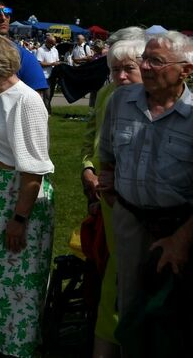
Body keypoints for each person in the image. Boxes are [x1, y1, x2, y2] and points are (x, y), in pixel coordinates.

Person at [97, 31, 193, 341]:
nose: (146, 67)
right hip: (130, 221)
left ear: (186, 70)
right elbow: (107, 155)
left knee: (175, 317)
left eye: (156, 61)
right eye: (145, 59)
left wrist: (181, 241)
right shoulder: (121, 101)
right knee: (130, 307)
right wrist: (115, 197)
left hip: (180, 226)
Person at [0, 32, 54, 358]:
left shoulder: (26, 101)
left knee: (16, 279)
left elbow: (34, 171)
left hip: (15, 195)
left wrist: (19, 218)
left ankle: (17, 346)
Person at [81, 29, 144, 358]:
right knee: (112, 272)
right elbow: (91, 137)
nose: (120, 77)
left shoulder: (156, 102)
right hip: (107, 199)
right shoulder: (107, 94)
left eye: (128, 69)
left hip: (141, 205)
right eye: (114, 69)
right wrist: (87, 169)